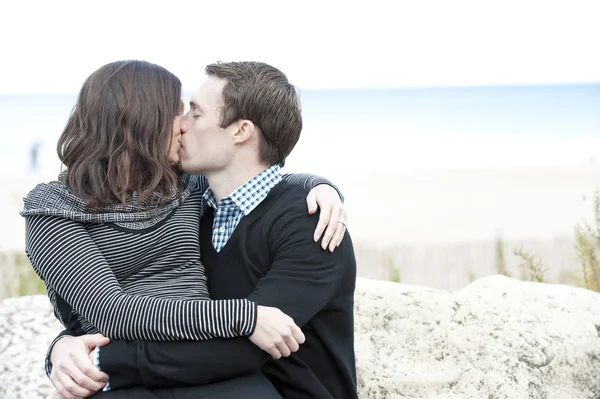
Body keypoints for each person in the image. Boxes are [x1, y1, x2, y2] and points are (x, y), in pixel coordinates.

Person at [20, 60, 349, 398]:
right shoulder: (55, 208)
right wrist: (245, 316)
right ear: (140, 121)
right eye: (177, 113)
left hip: (220, 376)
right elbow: (111, 310)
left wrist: (318, 185)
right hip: (129, 377)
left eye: (193, 112)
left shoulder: (187, 187)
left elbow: (252, 176)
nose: (183, 125)